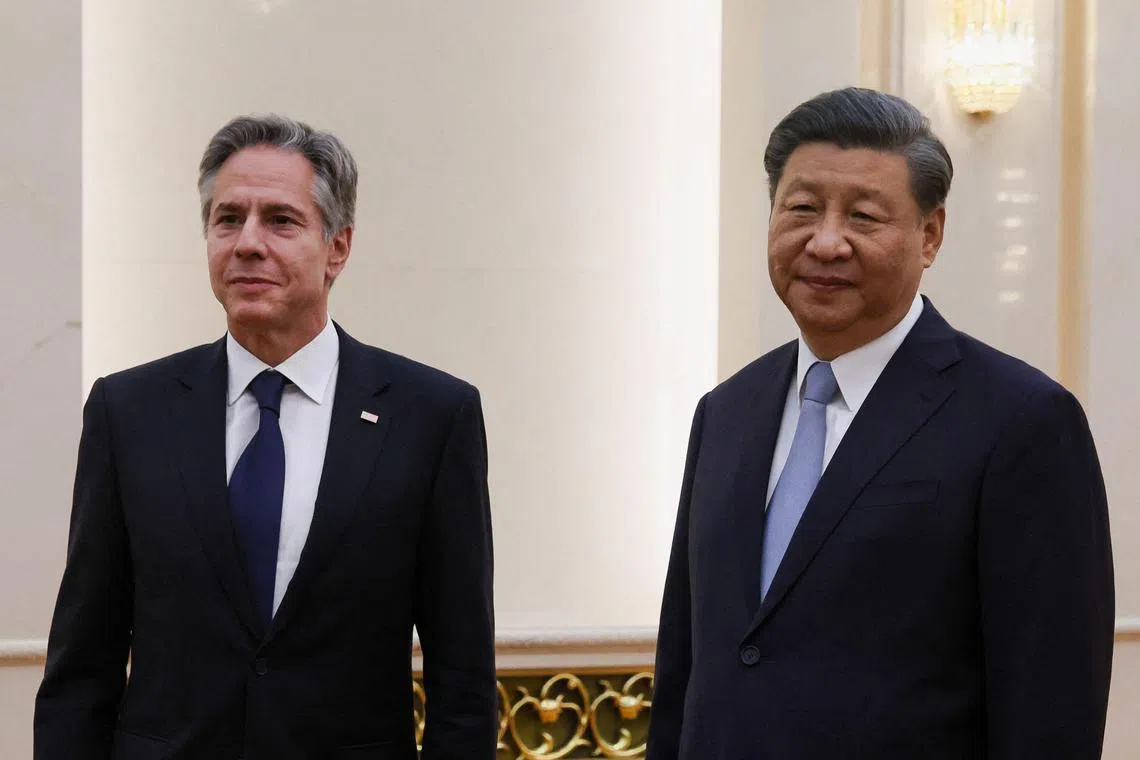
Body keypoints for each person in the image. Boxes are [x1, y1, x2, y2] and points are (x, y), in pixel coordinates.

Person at [647, 87, 1114, 759]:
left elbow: (1051, 705)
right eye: (802, 209)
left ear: (929, 234)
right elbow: (688, 666)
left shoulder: (1021, 421)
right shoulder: (725, 412)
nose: (826, 241)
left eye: (863, 217)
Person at [34, 115, 497, 759]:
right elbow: (83, 663)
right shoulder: (128, 411)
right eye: (228, 219)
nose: (248, 242)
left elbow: (463, 680)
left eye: (280, 220)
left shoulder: (431, 416)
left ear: (338, 246)